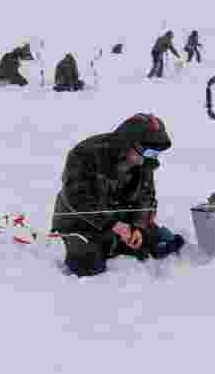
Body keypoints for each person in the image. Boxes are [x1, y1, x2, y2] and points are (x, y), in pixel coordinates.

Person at [52, 113, 185, 277]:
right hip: (79, 222)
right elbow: (77, 199)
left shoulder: (144, 164)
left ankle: (120, 242)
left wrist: (138, 227)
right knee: (89, 266)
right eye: (147, 152)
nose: (145, 160)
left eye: (153, 154)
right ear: (128, 142)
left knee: (161, 244)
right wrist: (113, 224)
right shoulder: (85, 154)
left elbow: (147, 197)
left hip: (121, 221)